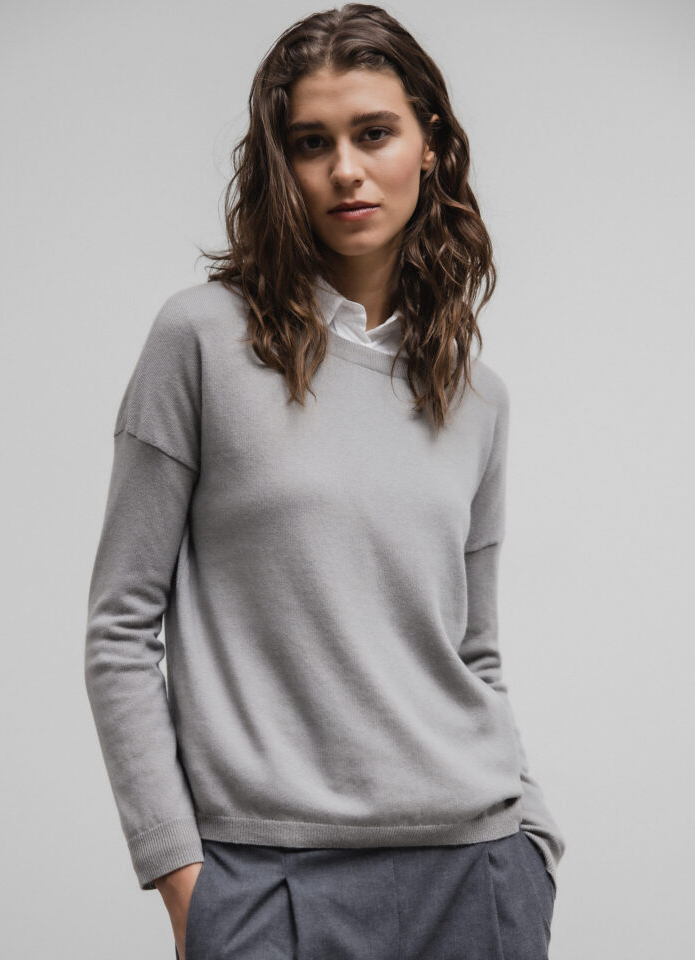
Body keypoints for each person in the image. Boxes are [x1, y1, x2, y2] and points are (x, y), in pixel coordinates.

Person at [84, 4, 566, 958]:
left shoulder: (476, 397)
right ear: (283, 165)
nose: (345, 168)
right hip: (270, 878)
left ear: (430, 145)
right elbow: (120, 629)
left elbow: (474, 650)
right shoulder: (200, 341)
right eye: (313, 142)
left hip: (475, 873)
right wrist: (182, 875)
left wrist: (532, 845)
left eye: (374, 133)